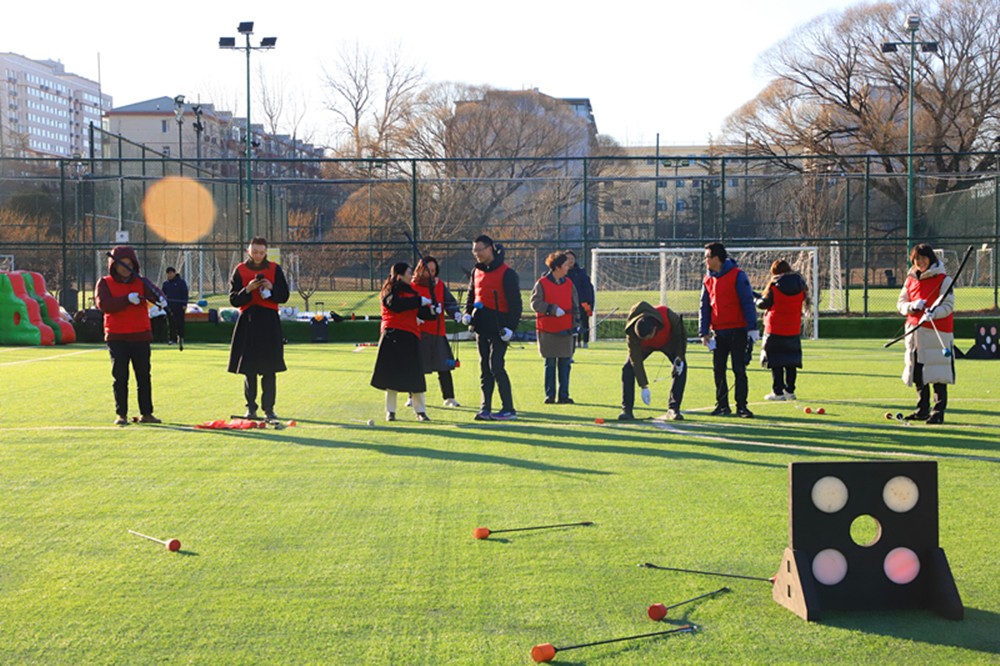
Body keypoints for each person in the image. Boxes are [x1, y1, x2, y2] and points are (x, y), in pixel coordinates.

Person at [95, 245, 165, 425]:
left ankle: (147, 413)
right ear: (114, 265)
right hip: (117, 336)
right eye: (122, 264)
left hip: (140, 335)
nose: (126, 268)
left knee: (144, 376)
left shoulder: (142, 281)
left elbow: (155, 293)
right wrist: (126, 300)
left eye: (129, 264)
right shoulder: (104, 283)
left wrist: (161, 299)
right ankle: (121, 414)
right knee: (120, 377)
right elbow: (104, 305)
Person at [228, 237, 289, 420]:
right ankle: (251, 408)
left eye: (261, 252)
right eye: (255, 252)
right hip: (248, 321)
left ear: (266, 252)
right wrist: (247, 290)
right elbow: (233, 299)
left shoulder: (275, 269)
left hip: (269, 322)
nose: (258, 255)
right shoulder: (240, 270)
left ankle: (269, 409)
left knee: (270, 369)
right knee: (249, 369)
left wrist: (271, 288)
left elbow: (284, 296)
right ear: (249, 251)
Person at [462, 235, 522, 421]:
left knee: (496, 365)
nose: (477, 254)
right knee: (484, 368)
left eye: (479, 250)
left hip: (499, 327)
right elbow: (471, 295)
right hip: (481, 326)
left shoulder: (507, 273)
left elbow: (516, 304)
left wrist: (510, 328)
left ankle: (508, 408)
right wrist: (467, 313)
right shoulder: (476, 271)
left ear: (490, 248)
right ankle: (485, 408)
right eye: (474, 250)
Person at [896, 243, 955, 424]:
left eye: (923, 258)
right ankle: (922, 409)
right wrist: (911, 306)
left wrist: (933, 313)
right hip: (915, 332)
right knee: (918, 372)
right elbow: (901, 303)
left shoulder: (944, 280)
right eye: (916, 259)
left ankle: (938, 412)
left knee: (938, 373)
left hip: (937, 333)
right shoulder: (910, 280)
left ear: (931, 259)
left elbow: (948, 306)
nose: (920, 262)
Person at [699, 242, 758, 418]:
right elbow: (704, 306)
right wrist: (704, 332)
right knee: (718, 369)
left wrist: (752, 328)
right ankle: (722, 405)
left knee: (739, 369)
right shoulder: (707, 279)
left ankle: (742, 406)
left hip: (738, 330)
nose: (705, 261)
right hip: (718, 332)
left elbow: (747, 302)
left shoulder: (738, 275)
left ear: (716, 258)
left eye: (707, 257)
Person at [371, 262, 431, 421]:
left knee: (416, 376)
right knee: (392, 377)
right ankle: (390, 411)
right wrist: (419, 301)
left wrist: (433, 310)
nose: (412, 276)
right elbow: (396, 305)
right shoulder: (389, 292)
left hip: (410, 336)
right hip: (392, 336)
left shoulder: (412, 292)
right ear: (399, 276)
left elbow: (422, 313)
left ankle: (420, 411)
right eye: (409, 273)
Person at [619, 301, 688, 421]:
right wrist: (643, 386)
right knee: (627, 368)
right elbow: (635, 358)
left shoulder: (668, 316)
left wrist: (679, 357)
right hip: (644, 348)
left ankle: (674, 409)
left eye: (648, 337)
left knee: (681, 368)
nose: (647, 339)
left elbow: (680, 336)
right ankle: (627, 410)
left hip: (668, 342)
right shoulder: (631, 330)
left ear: (655, 328)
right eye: (643, 338)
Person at [756, 259, 810, 401]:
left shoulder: (774, 287)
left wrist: (757, 300)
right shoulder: (800, 287)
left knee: (776, 362)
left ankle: (778, 392)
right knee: (791, 362)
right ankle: (790, 391)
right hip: (793, 329)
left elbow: (764, 304)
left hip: (775, 329)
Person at [411, 256, 461, 408]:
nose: (431, 274)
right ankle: (412, 397)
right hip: (419, 332)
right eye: (428, 270)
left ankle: (449, 397)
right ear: (420, 270)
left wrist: (456, 313)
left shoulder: (439, 285)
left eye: (433, 271)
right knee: (417, 367)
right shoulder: (412, 286)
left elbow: (449, 302)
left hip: (438, 332)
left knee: (444, 367)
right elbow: (410, 307)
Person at [531, 251, 580, 404]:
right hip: (548, 330)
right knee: (550, 363)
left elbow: (575, 306)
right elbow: (535, 303)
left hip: (566, 330)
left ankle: (564, 395)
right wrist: (552, 309)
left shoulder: (569, 283)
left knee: (565, 363)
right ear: (557, 267)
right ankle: (550, 395)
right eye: (565, 264)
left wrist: (576, 325)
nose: (568, 267)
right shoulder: (541, 283)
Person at [564, 250, 594, 348]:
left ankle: (585, 341)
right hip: (567, 303)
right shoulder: (561, 274)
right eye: (568, 258)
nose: (570, 260)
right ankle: (574, 341)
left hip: (582, 303)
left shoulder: (581, 273)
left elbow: (588, 289)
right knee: (571, 323)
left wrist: (589, 303)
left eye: (572, 258)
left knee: (584, 322)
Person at [161, 266, 189, 345]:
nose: (169, 275)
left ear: (174, 273)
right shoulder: (166, 284)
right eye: (168, 273)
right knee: (171, 323)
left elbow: (185, 293)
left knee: (180, 323)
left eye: (171, 273)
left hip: (179, 306)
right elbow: (162, 294)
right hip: (170, 307)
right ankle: (172, 339)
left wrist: (184, 304)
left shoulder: (181, 282)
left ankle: (181, 337)